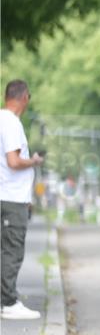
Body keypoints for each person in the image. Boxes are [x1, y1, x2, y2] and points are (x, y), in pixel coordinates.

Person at [1, 80, 44, 320]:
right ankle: (8, 302)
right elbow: (14, 161)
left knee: (4, 249)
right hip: (11, 198)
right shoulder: (11, 123)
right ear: (24, 97)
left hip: (5, 195)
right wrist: (34, 161)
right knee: (12, 250)